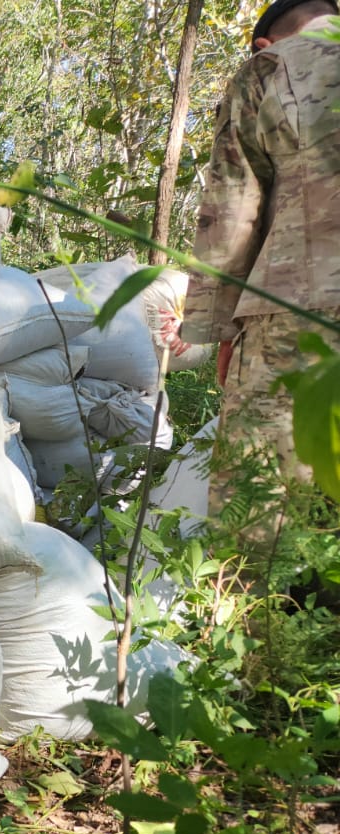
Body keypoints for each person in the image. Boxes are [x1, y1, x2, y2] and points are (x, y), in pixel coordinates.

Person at [170, 0, 340, 518]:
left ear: (266, 43)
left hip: (302, 309)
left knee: (262, 505)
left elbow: (232, 209)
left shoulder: (271, 68)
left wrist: (219, 329)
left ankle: (257, 600)